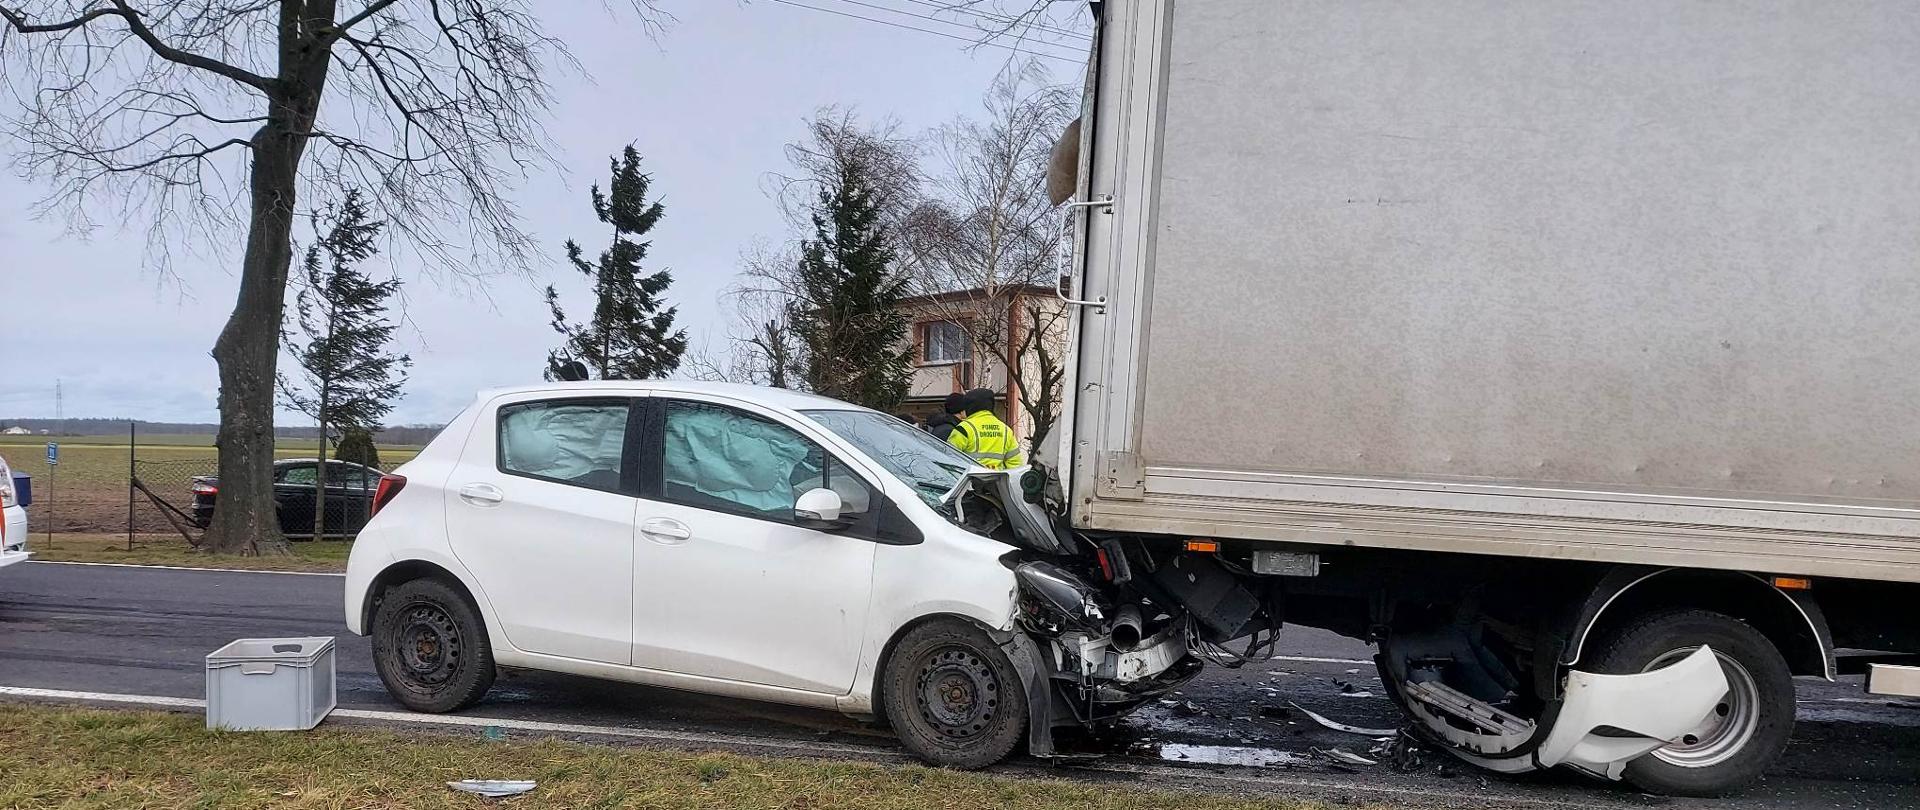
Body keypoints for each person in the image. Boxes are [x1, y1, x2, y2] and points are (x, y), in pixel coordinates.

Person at [946, 387, 1025, 469]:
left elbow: (949, 459)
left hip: (970, 480)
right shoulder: (1005, 430)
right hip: (997, 480)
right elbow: (1015, 465)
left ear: (969, 407)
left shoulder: (964, 428)